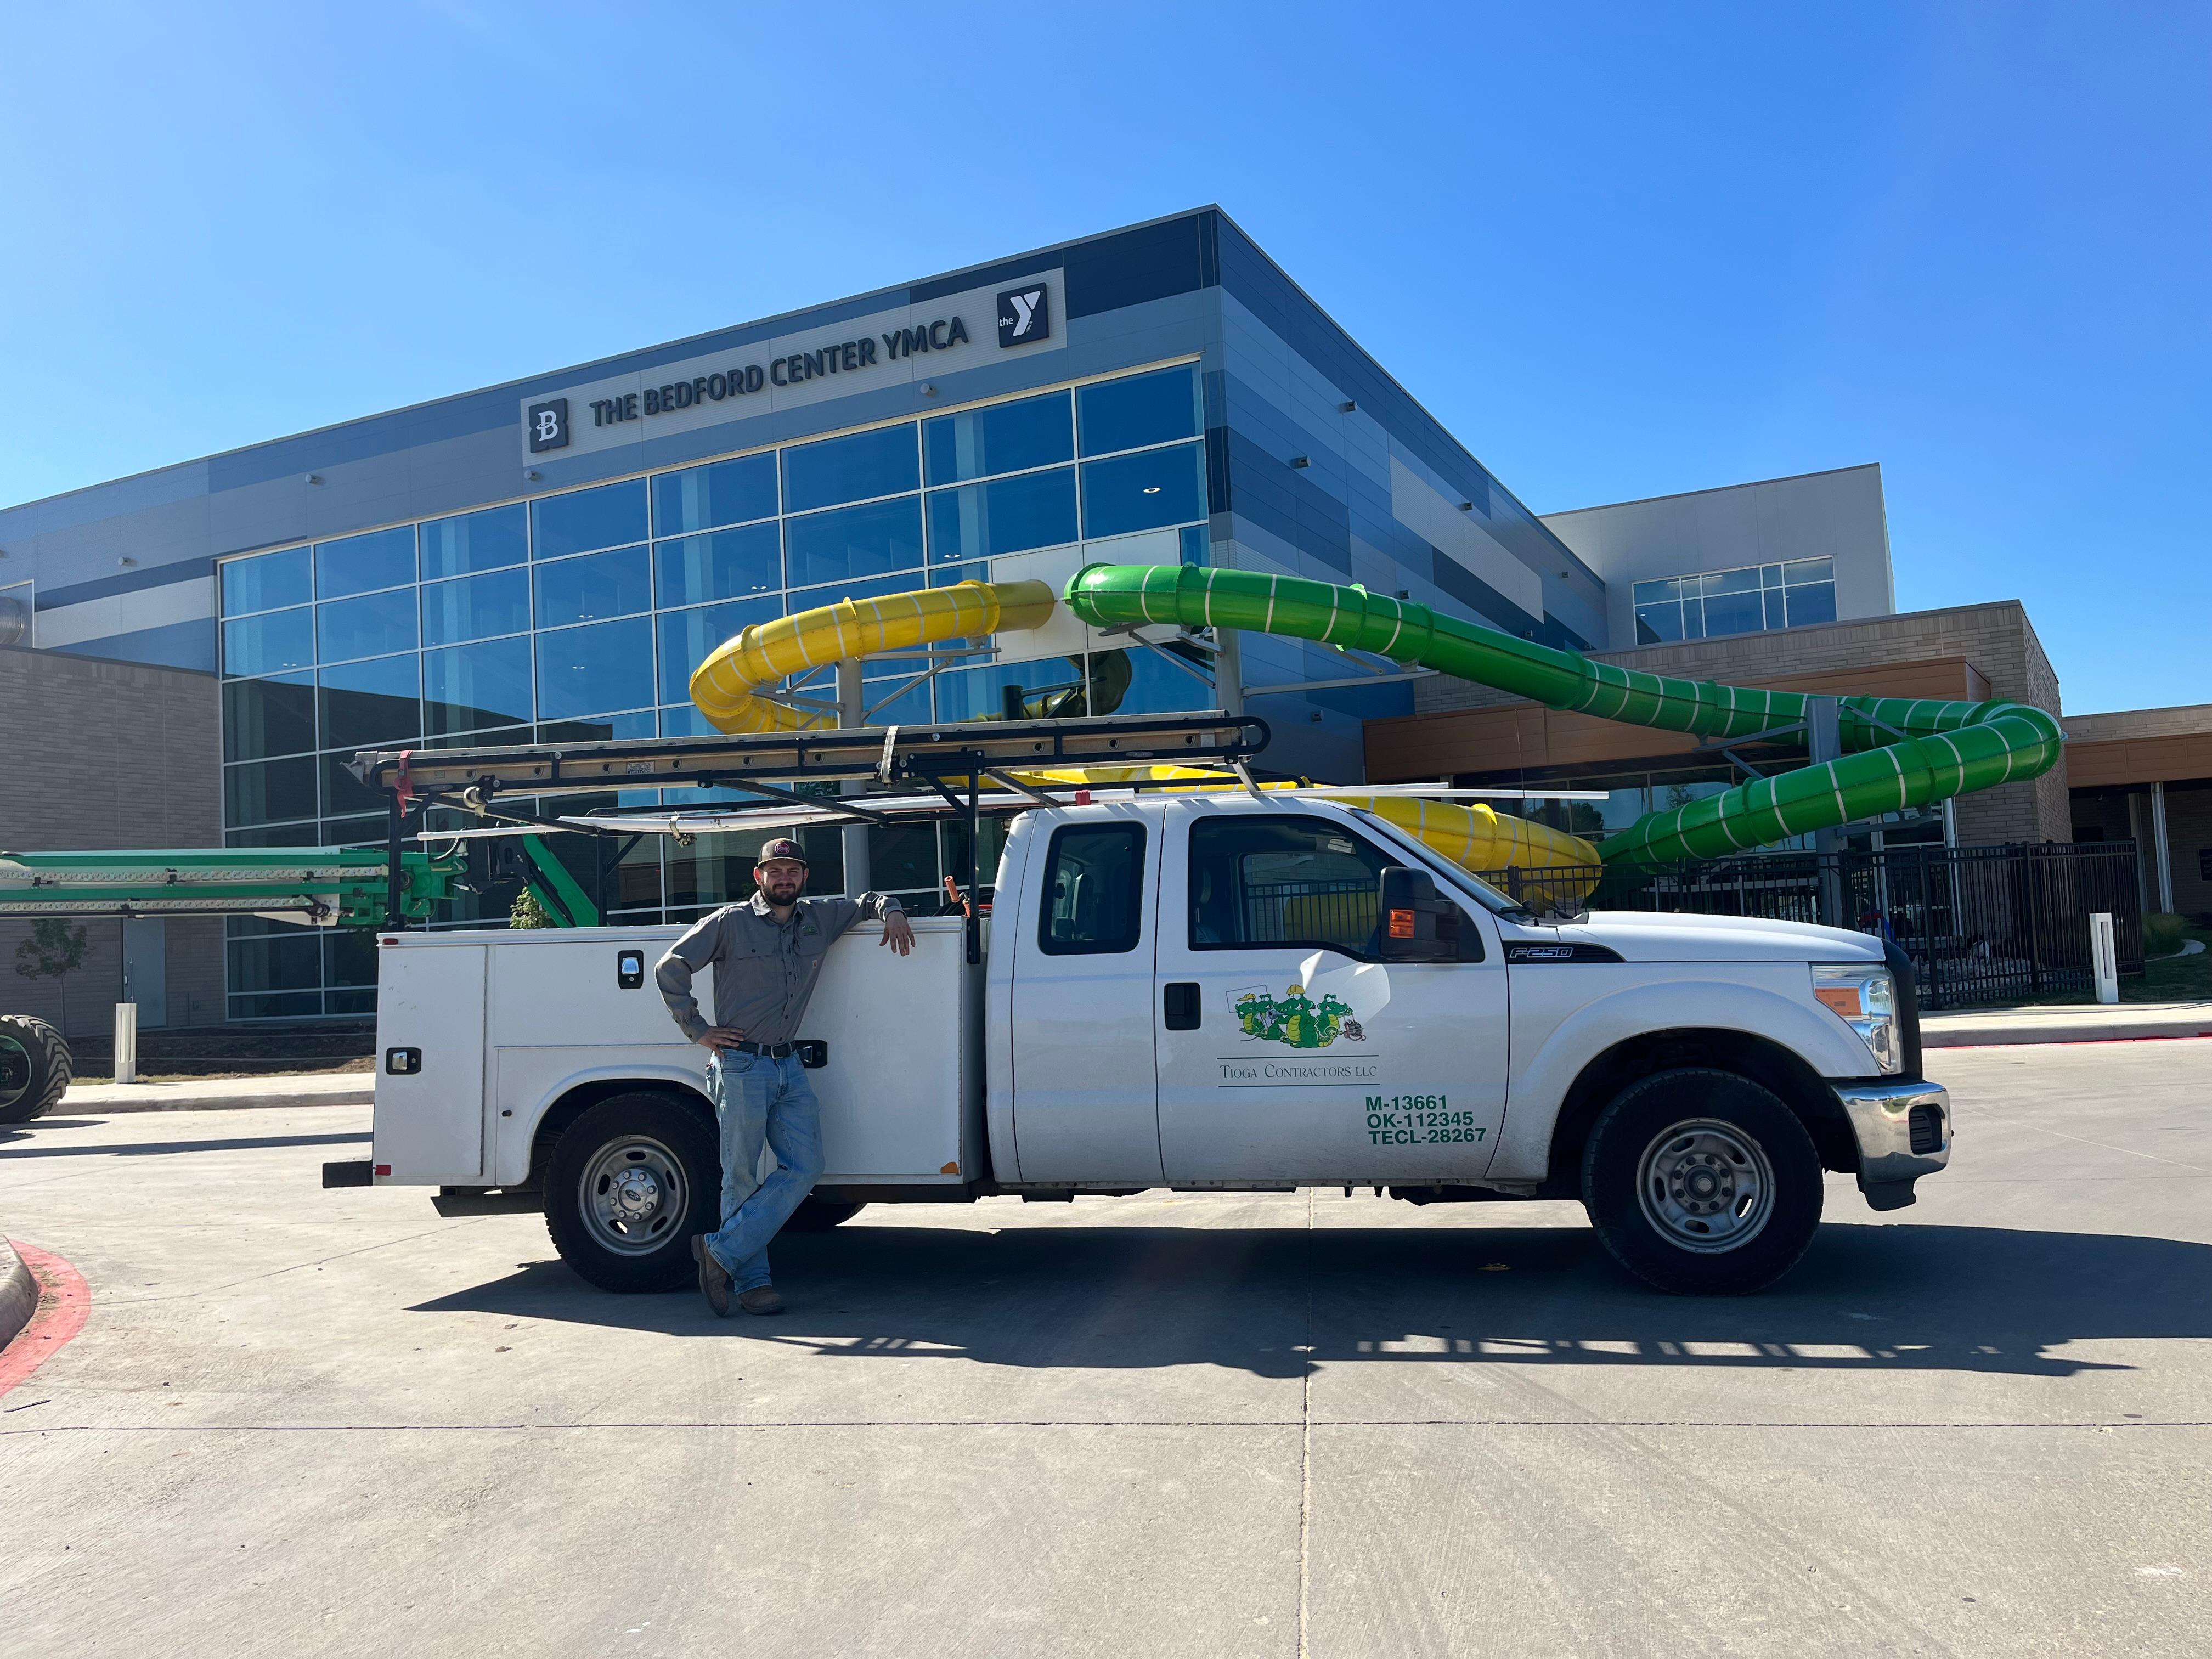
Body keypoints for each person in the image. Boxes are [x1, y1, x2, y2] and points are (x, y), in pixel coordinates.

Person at [655, 837, 915, 1317]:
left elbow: (865, 902)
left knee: (807, 1165)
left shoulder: (818, 918)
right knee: (741, 1175)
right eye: (775, 871)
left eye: (792, 870)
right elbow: (671, 967)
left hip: (788, 1066)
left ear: (804, 877)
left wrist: (892, 910)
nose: (784, 878)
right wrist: (699, 1030)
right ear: (759, 877)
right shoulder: (729, 923)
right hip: (741, 1065)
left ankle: (719, 1251)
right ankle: (752, 1285)